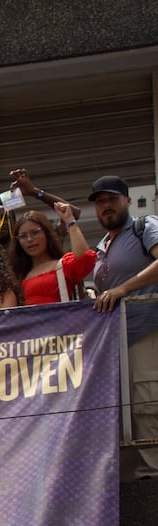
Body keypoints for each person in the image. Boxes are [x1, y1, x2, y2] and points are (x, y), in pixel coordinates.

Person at [88, 175, 158, 481]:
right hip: (114, 341)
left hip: (148, 329)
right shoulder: (102, 246)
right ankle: (131, 478)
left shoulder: (145, 226)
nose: (106, 207)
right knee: (122, 409)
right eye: (100, 203)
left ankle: (152, 473)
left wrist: (124, 289)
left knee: (148, 402)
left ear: (127, 201)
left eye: (112, 200)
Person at [10, 203, 95, 305]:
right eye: (23, 236)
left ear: (47, 234)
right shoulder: (17, 276)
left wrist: (70, 220)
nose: (29, 239)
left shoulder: (63, 265)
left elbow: (85, 258)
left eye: (35, 233)